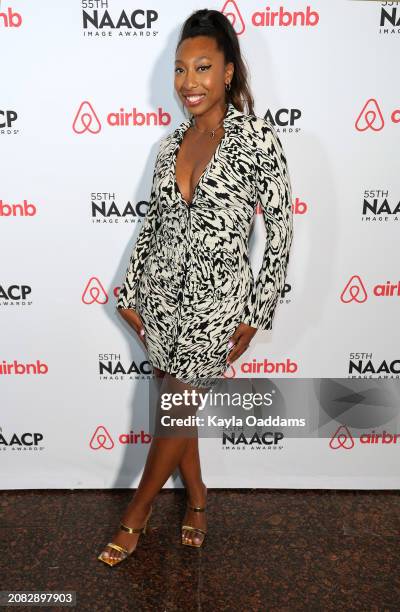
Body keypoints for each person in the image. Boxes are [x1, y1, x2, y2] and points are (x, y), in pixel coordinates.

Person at [98, 8, 293, 566]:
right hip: (159, 299)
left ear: (228, 71)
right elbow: (153, 226)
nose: (189, 82)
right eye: (181, 70)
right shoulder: (169, 144)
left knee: (178, 408)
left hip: (217, 305)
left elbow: (279, 235)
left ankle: (135, 515)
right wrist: (129, 294)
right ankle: (199, 499)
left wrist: (256, 315)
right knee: (174, 406)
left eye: (203, 67)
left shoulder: (258, 140)